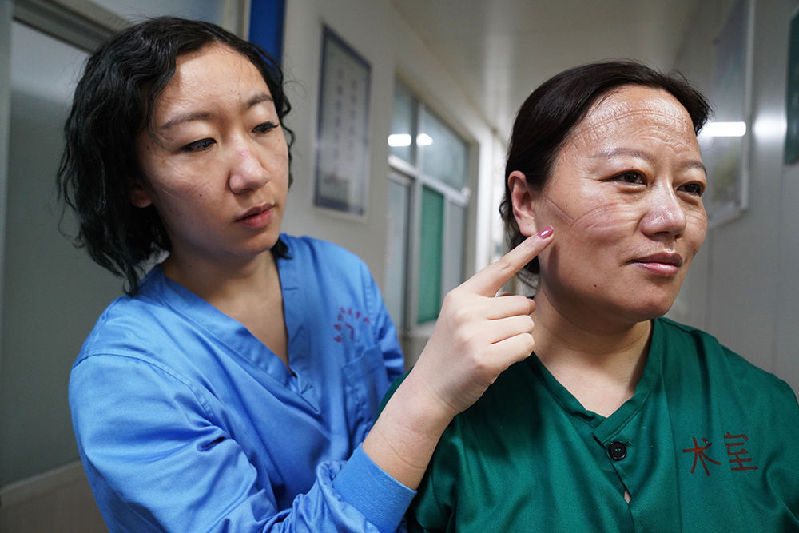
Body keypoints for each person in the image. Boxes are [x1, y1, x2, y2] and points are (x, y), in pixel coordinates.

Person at [59, 17, 554, 532]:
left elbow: (409, 460)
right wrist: (427, 396)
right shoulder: (125, 374)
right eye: (199, 143)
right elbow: (405, 422)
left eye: (263, 126)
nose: (253, 172)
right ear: (136, 183)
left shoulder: (341, 274)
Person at [404, 61, 799, 531]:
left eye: (691, 188)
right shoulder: (437, 407)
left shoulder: (762, 408)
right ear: (526, 203)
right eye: (630, 177)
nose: (673, 217)